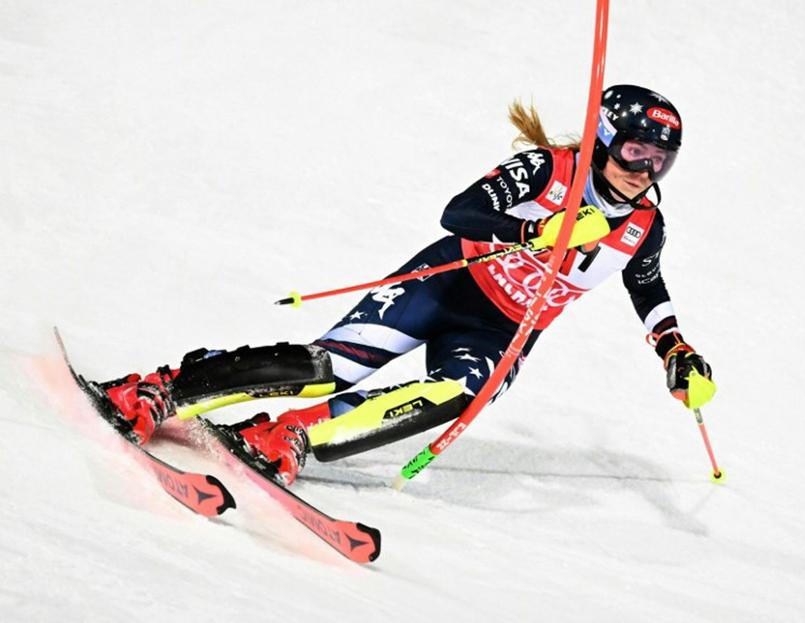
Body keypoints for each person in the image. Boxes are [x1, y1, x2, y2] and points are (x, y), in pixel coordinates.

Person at [98, 84, 715, 485]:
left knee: (461, 392)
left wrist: (675, 350)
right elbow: (460, 212)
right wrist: (535, 232)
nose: (645, 170)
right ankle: (162, 389)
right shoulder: (549, 169)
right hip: (448, 283)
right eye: (636, 150)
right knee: (330, 366)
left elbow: (646, 286)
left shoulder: (644, 225)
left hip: (502, 329)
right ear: (605, 137)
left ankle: (290, 436)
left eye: (662, 160)